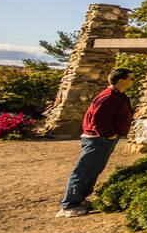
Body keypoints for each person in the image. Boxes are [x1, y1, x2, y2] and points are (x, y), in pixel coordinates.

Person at [56, 68, 135, 218]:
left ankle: (79, 199)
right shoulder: (108, 97)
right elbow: (97, 120)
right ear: (120, 81)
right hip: (98, 140)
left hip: (103, 139)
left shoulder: (118, 95)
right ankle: (69, 205)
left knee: (93, 171)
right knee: (84, 171)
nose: (133, 81)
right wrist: (108, 134)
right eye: (131, 78)